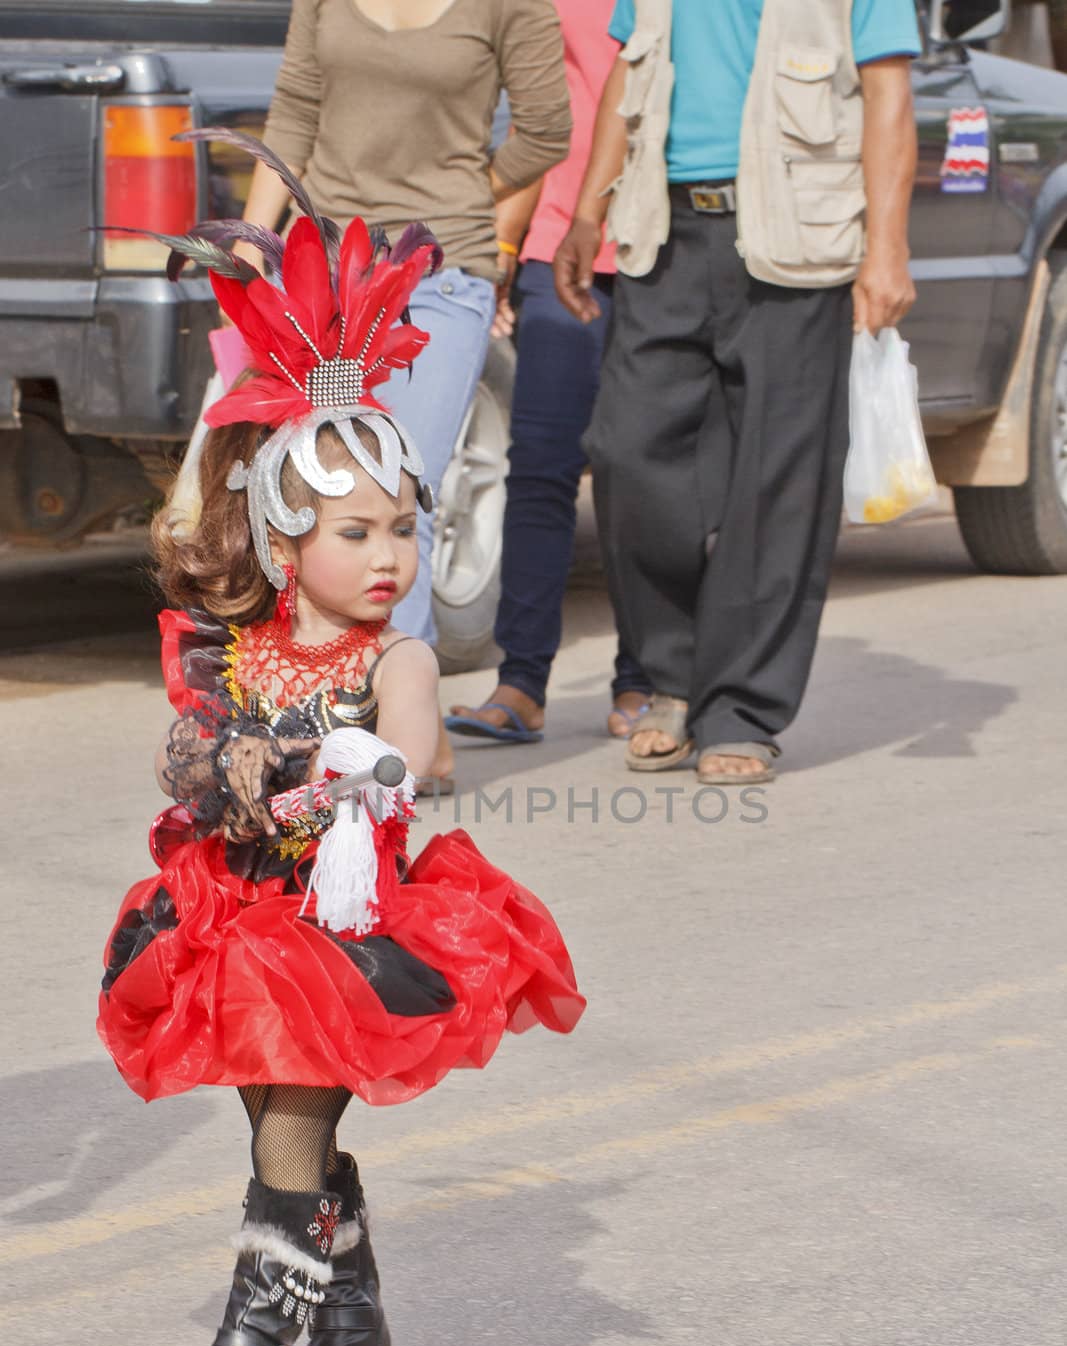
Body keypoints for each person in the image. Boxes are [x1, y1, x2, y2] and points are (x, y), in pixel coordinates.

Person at [96, 138, 585, 1346]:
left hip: (341, 927)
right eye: (353, 532)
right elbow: (187, 759)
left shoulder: (400, 656)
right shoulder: (228, 646)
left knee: (284, 1139)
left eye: (401, 528)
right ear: (276, 539)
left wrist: (353, 758)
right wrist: (233, 762)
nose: (387, 555)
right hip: (233, 911)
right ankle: (354, 1314)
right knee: (276, 1125)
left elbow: (414, 757)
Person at [555, 0, 921, 784]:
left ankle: (741, 711)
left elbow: (888, 93)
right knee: (626, 453)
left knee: (778, 481)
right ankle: (674, 676)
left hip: (794, 236)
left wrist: (886, 248)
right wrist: (587, 209)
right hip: (663, 232)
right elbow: (629, 70)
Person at [238, 1, 571, 794]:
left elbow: (545, 132)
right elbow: (294, 111)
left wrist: (453, 198)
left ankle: (398, 731)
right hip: (324, 266)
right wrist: (253, 240)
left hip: (438, 275)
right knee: (316, 496)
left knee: (394, 496)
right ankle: (346, 716)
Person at [445, 0, 653, 747]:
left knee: (641, 471)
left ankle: (644, 677)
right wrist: (504, 243)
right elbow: (541, 113)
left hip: (666, 244)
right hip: (560, 242)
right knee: (537, 464)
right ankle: (521, 682)